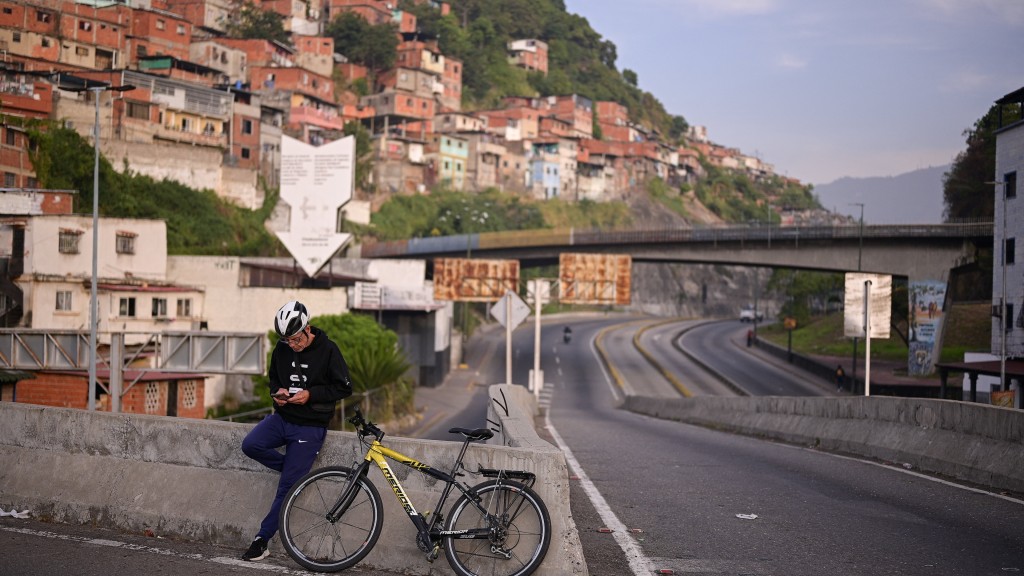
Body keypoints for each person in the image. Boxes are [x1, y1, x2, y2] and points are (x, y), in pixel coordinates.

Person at [240, 301, 353, 561]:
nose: (292, 344)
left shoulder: (328, 350)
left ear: (307, 329)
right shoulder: (282, 349)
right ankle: (295, 471)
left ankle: (261, 540)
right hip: (283, 418)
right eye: (287, 340)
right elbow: (273, 379)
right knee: (251, 444)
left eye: (295, 339)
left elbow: (344, 387)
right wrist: (276, 393)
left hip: (310, 426)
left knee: (286, 488)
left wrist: (311, 395)